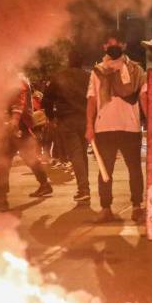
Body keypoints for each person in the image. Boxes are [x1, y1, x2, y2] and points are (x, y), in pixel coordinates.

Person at [86, 31, 148, 224]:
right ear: (104, 47)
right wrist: (89, 125)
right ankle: (105, 208)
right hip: (104, 128)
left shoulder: (137, 70)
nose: (113, 47)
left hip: (131, 126)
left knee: (135, 169)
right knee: (105, 171)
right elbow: (92, 100)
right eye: (109, 44)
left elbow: (144, 97)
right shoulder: (97, 71)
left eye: (117, 43)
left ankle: (137, 207)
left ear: (124, 46)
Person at [0, 74, 53, 211]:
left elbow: (19, 102)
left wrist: (15, 120)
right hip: (15, 126)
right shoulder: (12, 79)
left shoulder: (16, 80)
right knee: (25, 158)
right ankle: (44, 184)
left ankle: (1, 197)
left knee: (4, 159)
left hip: (18, 126)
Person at [42, 49, 92, 203]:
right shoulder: (88, 77)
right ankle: (85, 187)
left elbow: (46, 100)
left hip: (67, 120)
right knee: (82, 153)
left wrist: (51, 117)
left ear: (69, 60)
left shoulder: (59, 77)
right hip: (85, 119)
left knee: (76, 154)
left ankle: (83, 189)